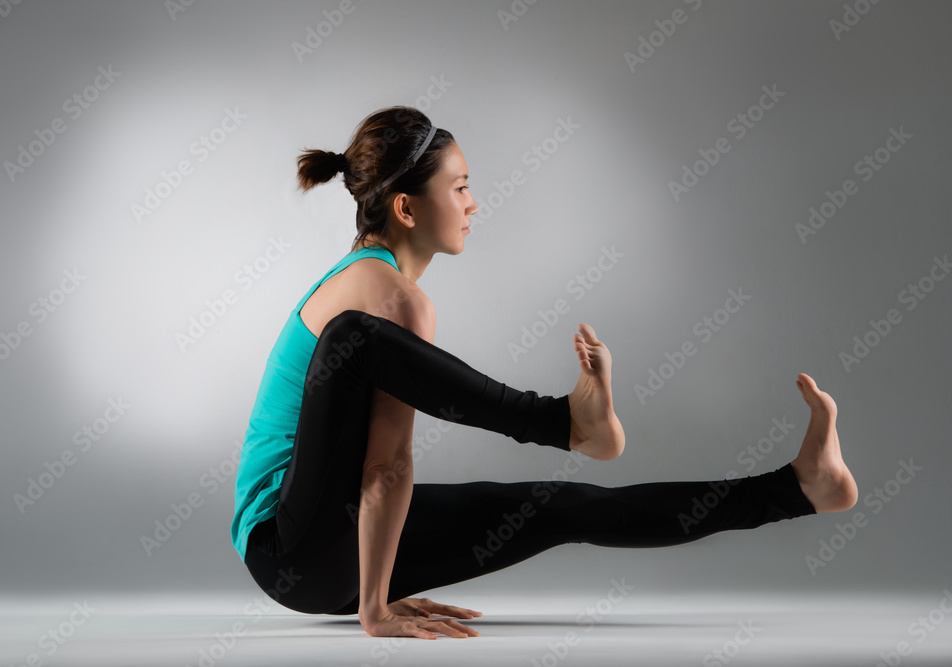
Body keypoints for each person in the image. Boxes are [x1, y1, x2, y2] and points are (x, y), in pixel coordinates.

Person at [230, 105, 858, 640]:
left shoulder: (388, 292)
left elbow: (381, 462)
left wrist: (377, 591)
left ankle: (799, 488)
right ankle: (563, 422)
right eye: (460, 187)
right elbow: (383, 466)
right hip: (288, 547)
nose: (475, 204)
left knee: (561, 506)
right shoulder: (385, 296)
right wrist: (374, 609)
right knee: (354, 338)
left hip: (330, 552)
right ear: (406, 208)